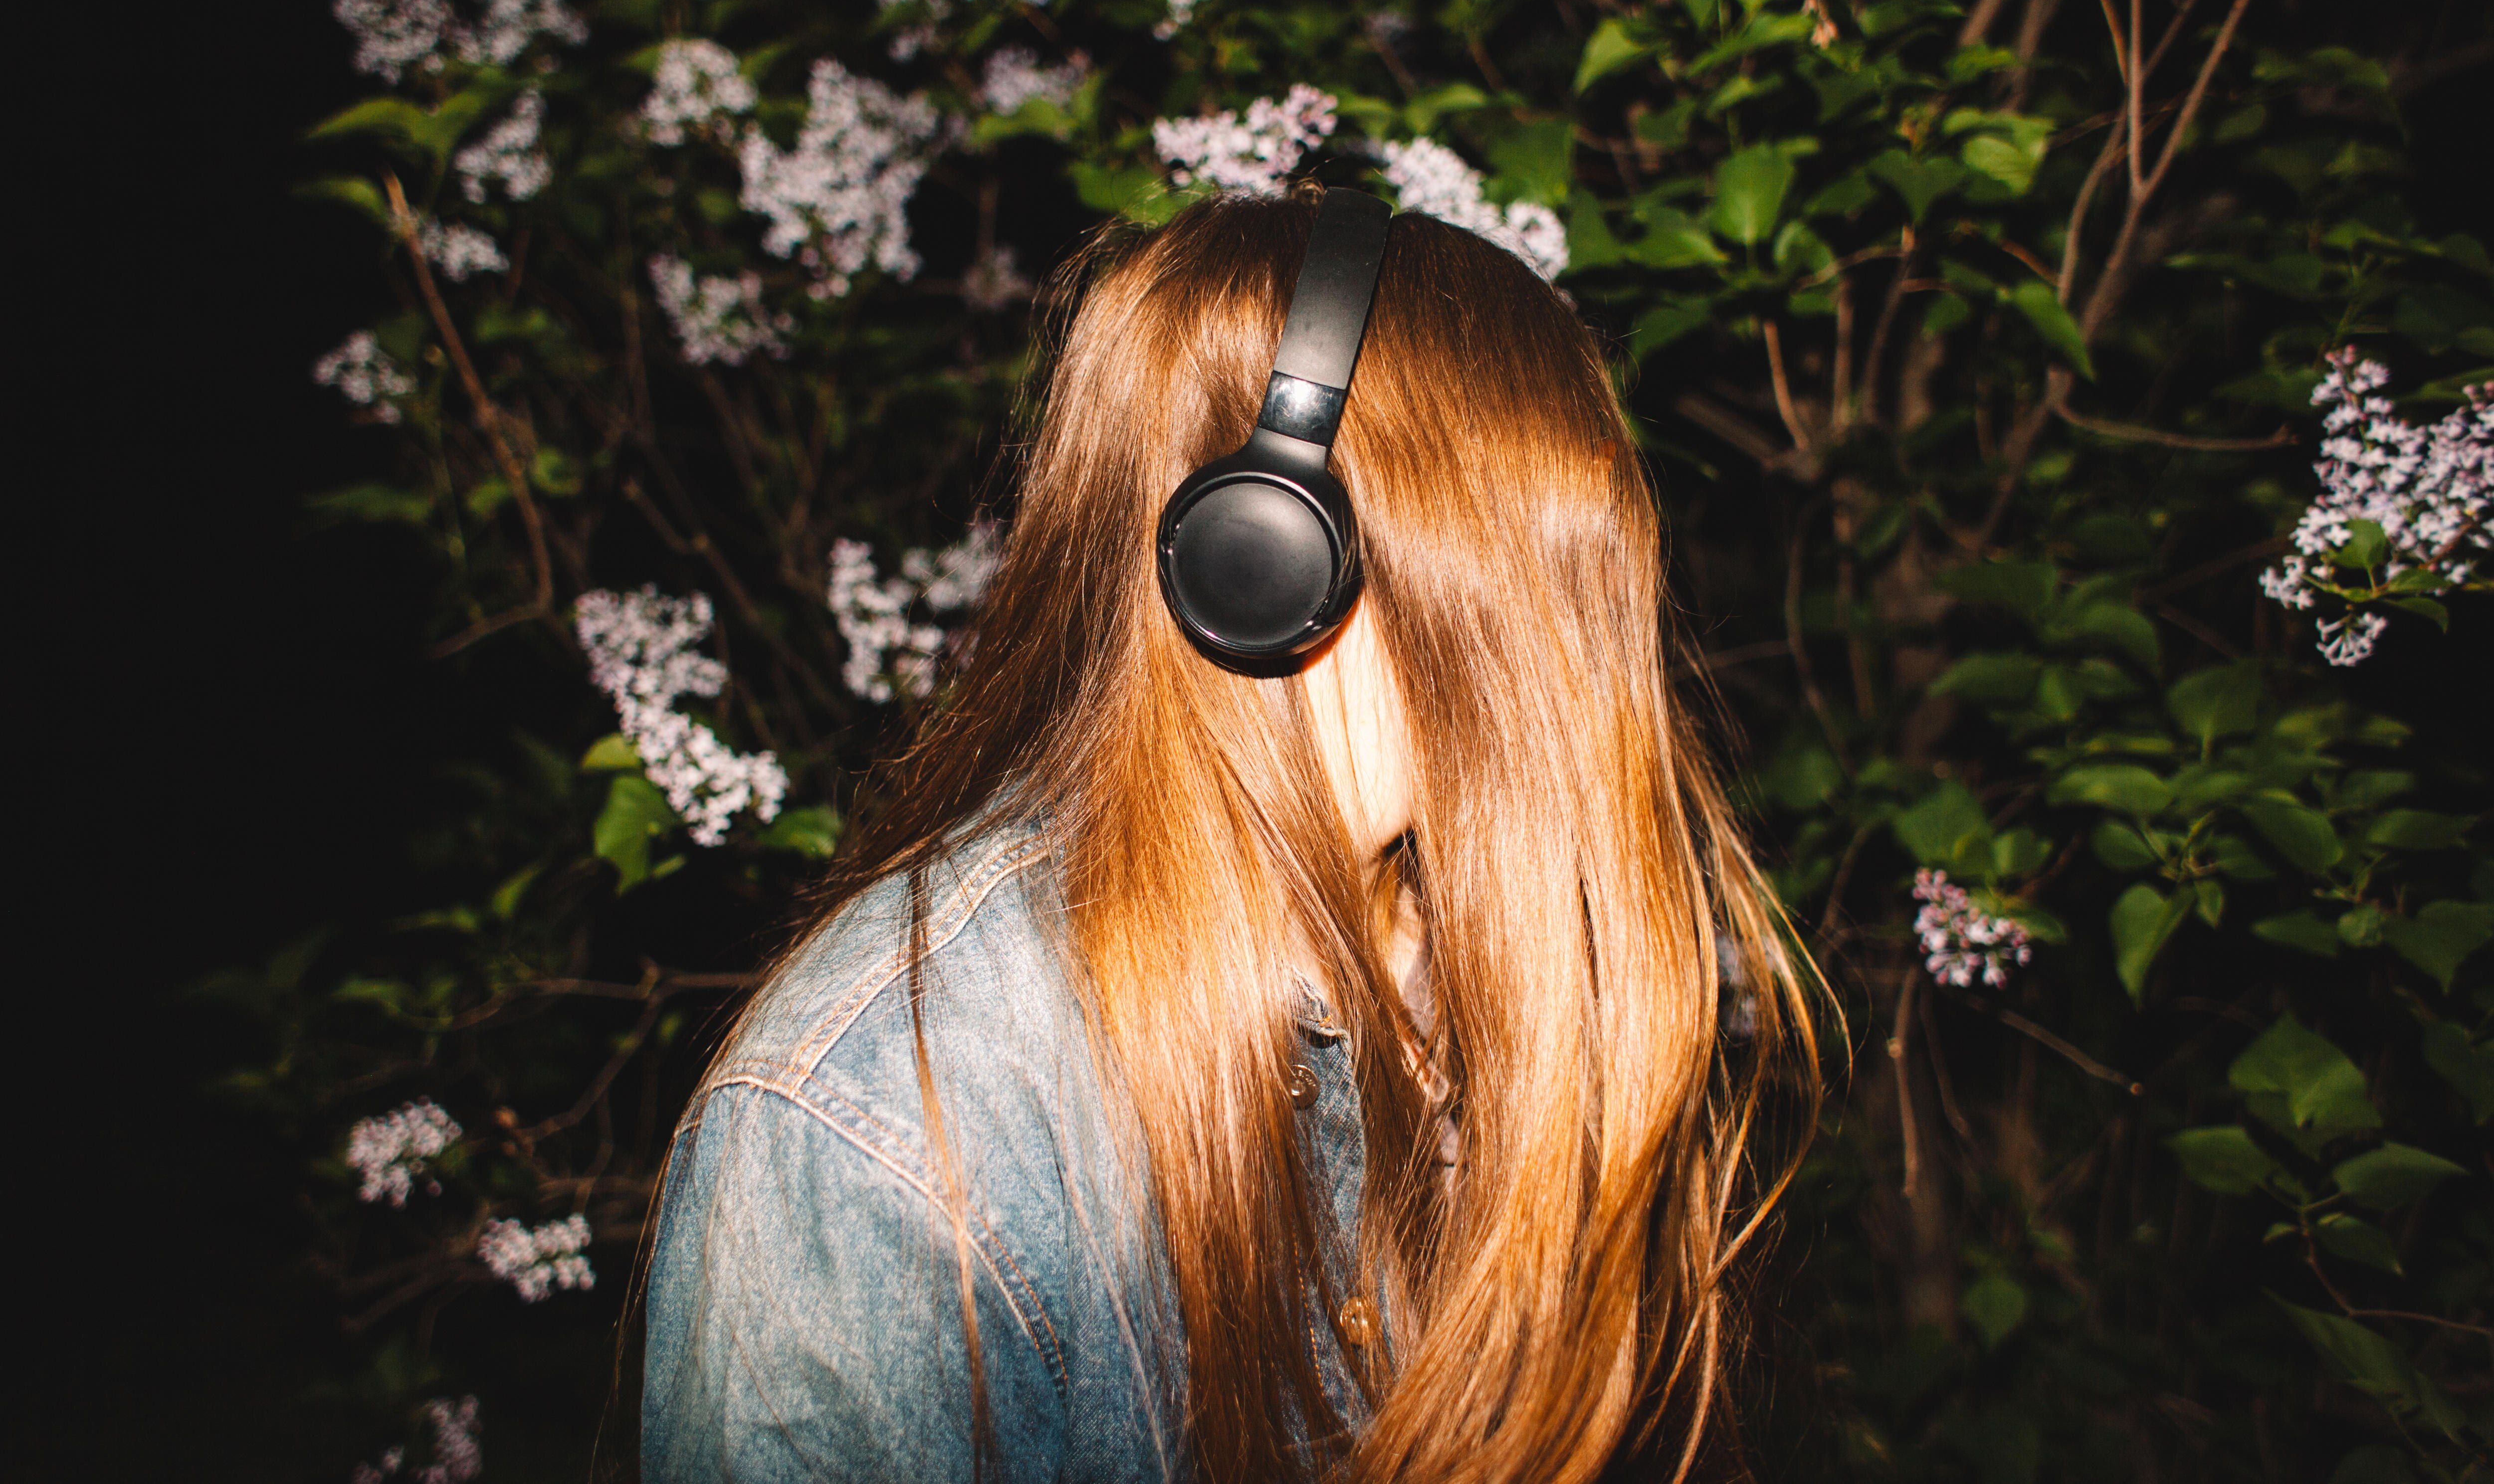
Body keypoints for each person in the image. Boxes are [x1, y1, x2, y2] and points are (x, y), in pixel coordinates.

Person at [641, 188, 1819, 1483]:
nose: (1569, 664)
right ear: (1250, 563)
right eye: (1498, 583)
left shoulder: (1483, 962)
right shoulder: (885, 1130)